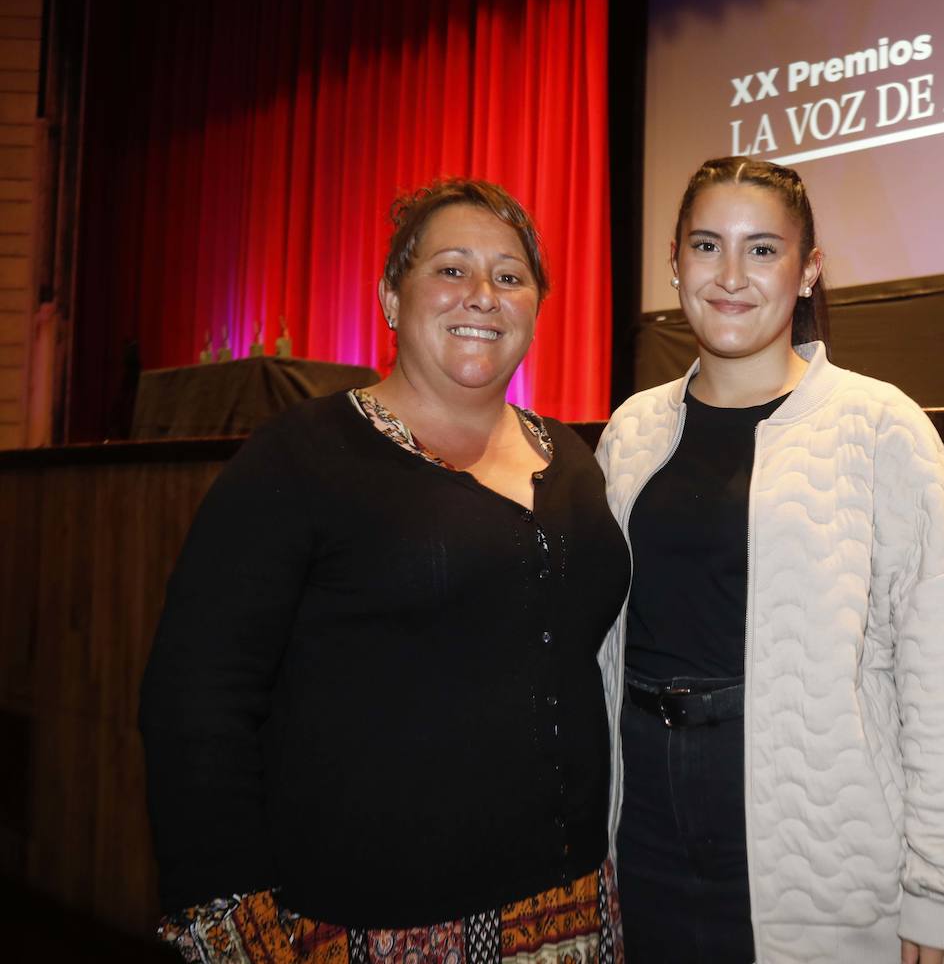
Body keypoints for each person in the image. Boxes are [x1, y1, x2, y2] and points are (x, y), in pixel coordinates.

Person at [139, 178, 630, 963]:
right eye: (451, 269)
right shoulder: (300, 457)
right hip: (367, 922)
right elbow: (198, 696)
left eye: (510, 276)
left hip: (568, 908)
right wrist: (229, 919)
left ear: (537, 306)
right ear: (391, 298)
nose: (482, 294)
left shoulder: (573, 458)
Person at [595, 157, 944, 964]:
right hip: (645, 823)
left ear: (809, 272)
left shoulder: (879, 426)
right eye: (707, 246)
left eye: (763, 251)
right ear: (673, 262)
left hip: (815, 833)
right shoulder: (630, 431)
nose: (731, 275)